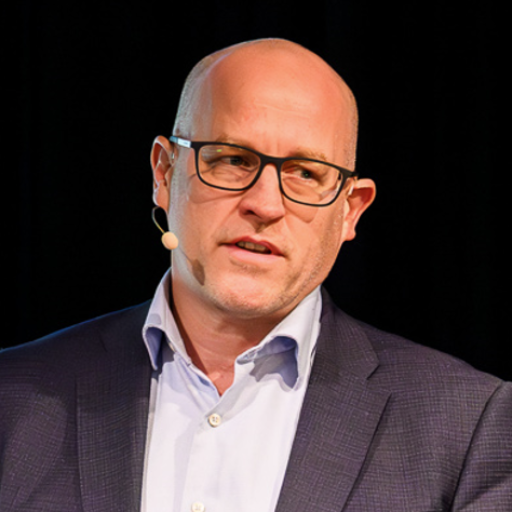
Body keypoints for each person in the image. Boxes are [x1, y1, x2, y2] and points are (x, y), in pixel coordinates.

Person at [1, 38, 511, 512]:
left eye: (306, 173)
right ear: (164, 173)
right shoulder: (12, 396)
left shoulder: (467, 426)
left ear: (350, 210)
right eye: (232, 160)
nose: (264, 204)